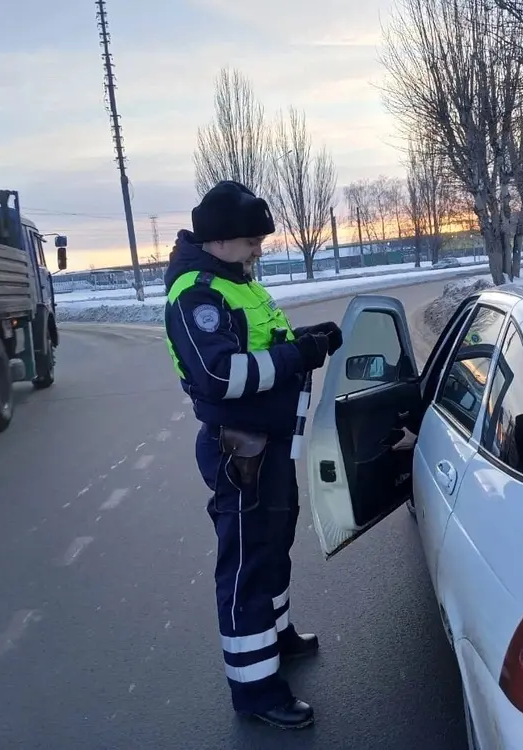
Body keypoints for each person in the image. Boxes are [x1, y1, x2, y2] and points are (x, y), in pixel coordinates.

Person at [163, 180, 343, 730]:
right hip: (239, 451)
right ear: (219, 240)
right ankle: (256, 689)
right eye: (251, 241)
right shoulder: (197, 296)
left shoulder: (237, 282)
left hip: (270, 447)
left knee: (272, 547)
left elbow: (267, 346)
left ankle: (276, 635)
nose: (259, 250)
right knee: (245, 565)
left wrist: (305, 340)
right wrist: (298, 355)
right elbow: (221, 375)